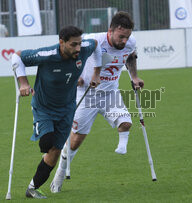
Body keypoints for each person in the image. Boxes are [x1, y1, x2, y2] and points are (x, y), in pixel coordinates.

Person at [50, 11, 144, 193]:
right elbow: (68, 53)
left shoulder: (130, 43)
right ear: (110, 31)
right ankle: (60, 173)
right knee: (76, 140)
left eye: (127, 36)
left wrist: (134, 77)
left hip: (110, 94)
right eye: (121, 36)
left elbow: (130, 56)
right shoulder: (92, 40)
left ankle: (121, 147)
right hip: (86, 93)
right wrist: (74, 76)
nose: (124, 41)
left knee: (125, 123)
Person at [11, 25, 102, 199]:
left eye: (79, 44)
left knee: (55, 152)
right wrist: (23, 82)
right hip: (43, 107)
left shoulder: (84, 48)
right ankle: (43, 136)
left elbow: (96, 44)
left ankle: (32, 188)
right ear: (61, 42)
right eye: (73, 45)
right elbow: (17, 56)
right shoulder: (47, 54)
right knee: (46, 143)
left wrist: (97, 73)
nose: (78, 48)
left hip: (67, 109)